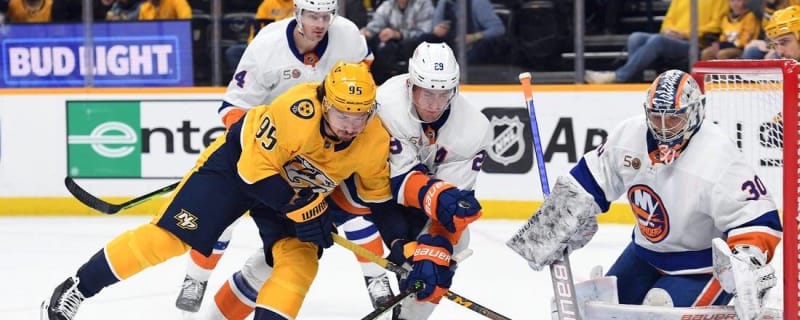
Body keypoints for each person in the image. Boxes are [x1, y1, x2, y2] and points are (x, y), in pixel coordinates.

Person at [41, 61, 392, 320]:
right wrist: (304, 209)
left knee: (299, 262)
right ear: (324, 103)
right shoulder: (296, 111)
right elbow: (253, 171)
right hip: (239, 170)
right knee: (170, 238)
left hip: (296, 193)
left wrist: (344, 220)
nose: (350, 126)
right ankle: (76, 288)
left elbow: (372, 201)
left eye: (359, 116)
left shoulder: (374, 140)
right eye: (342, 114)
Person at [176, 0, 393, 318]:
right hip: (270, 150)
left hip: (325, 148)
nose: (320, 23)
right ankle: (196, 279)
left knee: (354, 209)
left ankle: (376, 277)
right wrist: (254, 148)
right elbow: (233, 108)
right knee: (222, 216)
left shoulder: (348, 37)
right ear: (297, 13)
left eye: (326, 16)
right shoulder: (267, 45)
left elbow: (364, 78)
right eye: (312, 15)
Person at [508, 70, 782, 319]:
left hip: (700, 267)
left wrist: (746, 264)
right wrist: (555, 222)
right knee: (598, 312)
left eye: (673, 118)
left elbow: (759, 220)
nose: (663, 128)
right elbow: (589, 180)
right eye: (656, 117)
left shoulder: (719, 157)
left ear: (696, 112)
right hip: (643, 254)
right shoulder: (629, 134)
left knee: (658, 310)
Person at [364, 41, 490, 319]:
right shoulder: (386, 104)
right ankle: (372, 274)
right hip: (377, 194)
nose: (434, 105)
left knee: (448, 252)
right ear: (411, 85)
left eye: (443, 95)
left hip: (422, 200)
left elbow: (452, 208)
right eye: (427, 94)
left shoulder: (474, 128)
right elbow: (397, 181)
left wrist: (437, 248)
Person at [585, 0, 729, 84]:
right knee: (636, 37)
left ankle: (619, 76)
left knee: (657, 41)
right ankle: (632, 80)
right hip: (673, 40)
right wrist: (668, 31)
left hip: (696, 43)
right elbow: (668, 20)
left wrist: (685, 34)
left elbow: (716, 25)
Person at [360, 0, 434, 83]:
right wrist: (366, 33)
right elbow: (375, 25)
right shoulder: (388, 4)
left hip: (414, 44)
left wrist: (399, 34)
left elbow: (426, 31)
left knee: (409, 44)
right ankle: (377, 83)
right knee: (378, 44)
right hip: (391, 44)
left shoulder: (423, 3)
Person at [425, 0, 505, 64]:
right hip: (446, 47)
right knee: (425, 39)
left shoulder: (478, 2)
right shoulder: (443, 2)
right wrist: (437, 31)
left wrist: (473, 37)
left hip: (471, 48)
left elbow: (498, 28)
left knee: (481, 49)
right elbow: (434, 28)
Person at [224, 0, 295, 70]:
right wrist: (254, 46)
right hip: (267, 44)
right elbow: (257, 28)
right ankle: (248, 79)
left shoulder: (300, 3)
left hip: (289, 45)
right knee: (233, 52)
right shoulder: (268, 3)